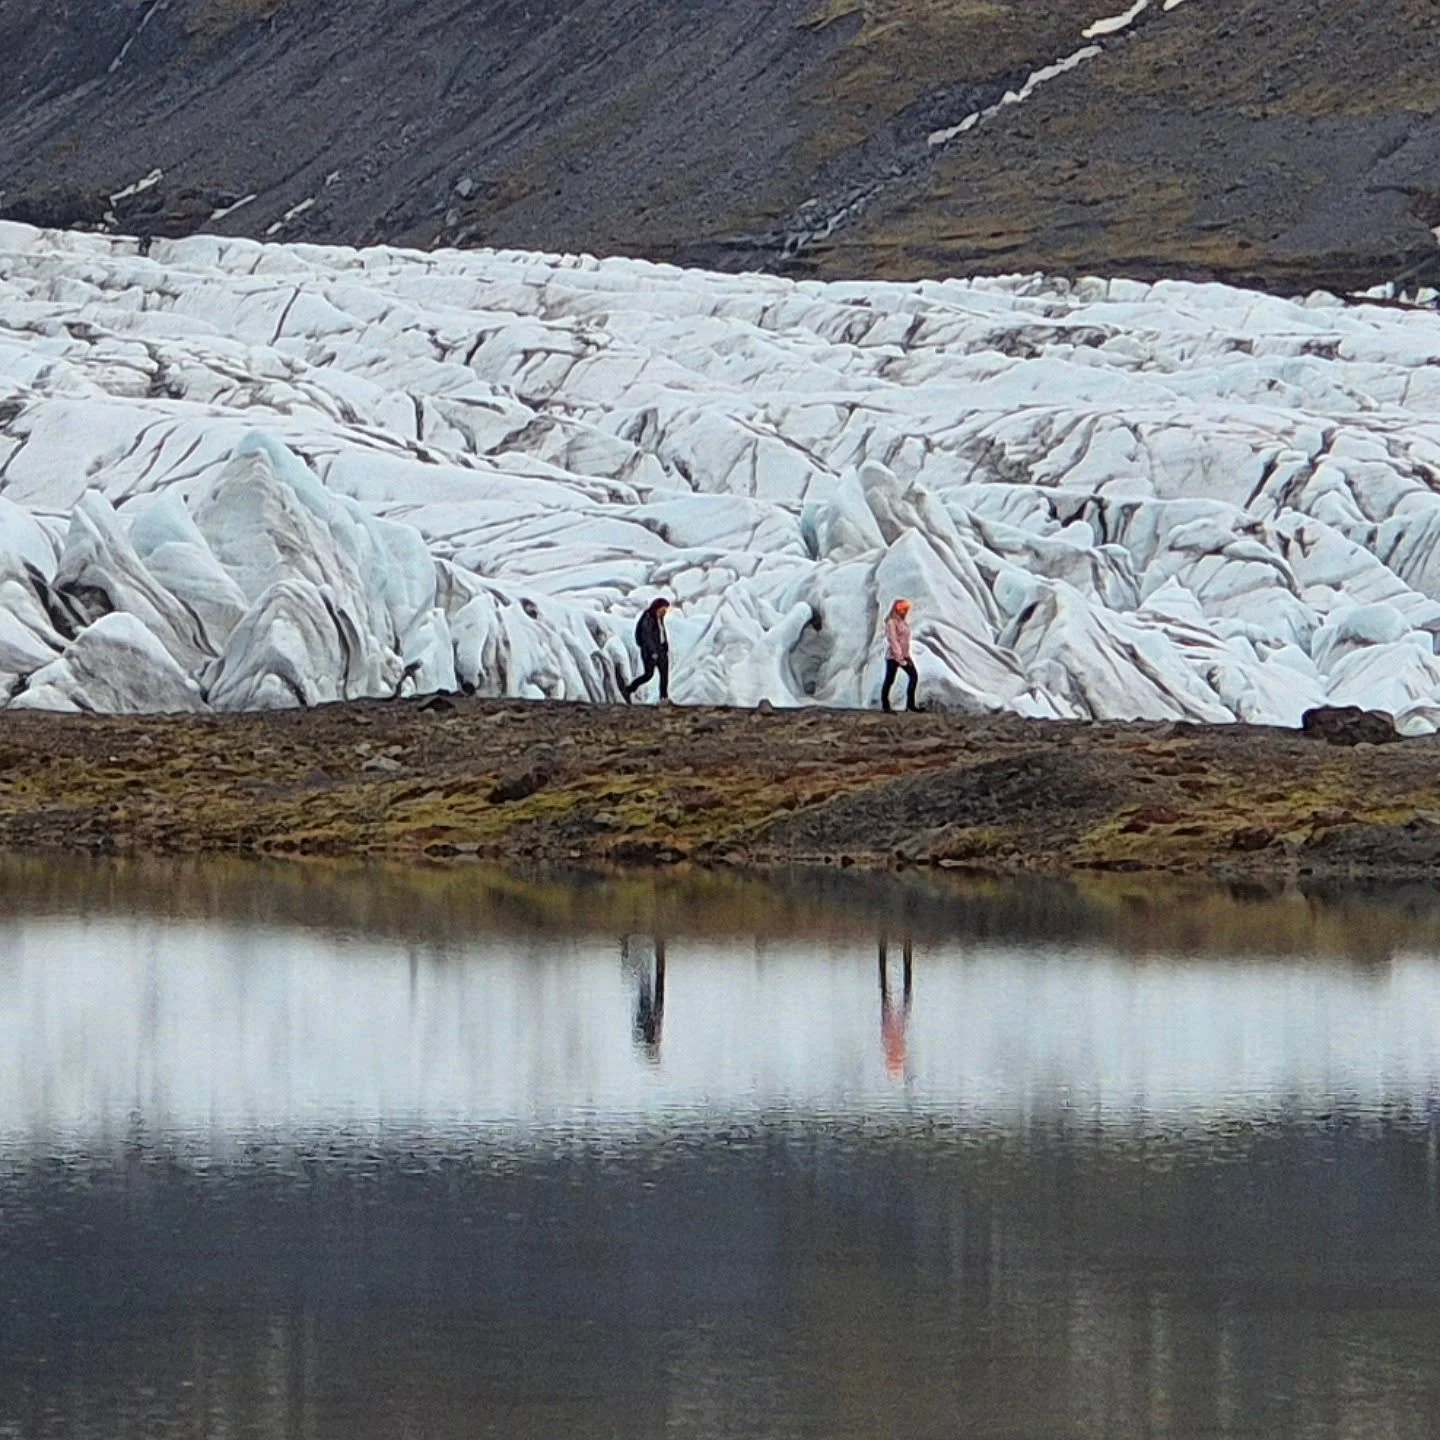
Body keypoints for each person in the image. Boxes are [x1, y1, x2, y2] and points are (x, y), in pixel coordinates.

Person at [623, 596, 671, 703]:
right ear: (657, 608)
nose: (664, 612)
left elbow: (661, 632)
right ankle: (629, 689)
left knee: (664, 674)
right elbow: (646, 637)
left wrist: (665, 645)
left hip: (661, 650)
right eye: (663, 609)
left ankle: (664, 697)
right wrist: (653, 651)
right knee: (648, 675)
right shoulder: (648, 618)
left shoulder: (659, 618)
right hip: (651, 652)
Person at [880, 598, 919, 712]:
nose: (904, 611)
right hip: (894, 656)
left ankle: (910, 705)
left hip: (904, 655)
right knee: (889, 680)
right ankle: (885, 706)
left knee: (913, 676)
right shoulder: (891, 622)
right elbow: (893, 640)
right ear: (895, 609)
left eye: (906, 608)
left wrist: (905, 655)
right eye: (901, 608)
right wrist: (900, 658)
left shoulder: (903, 622)